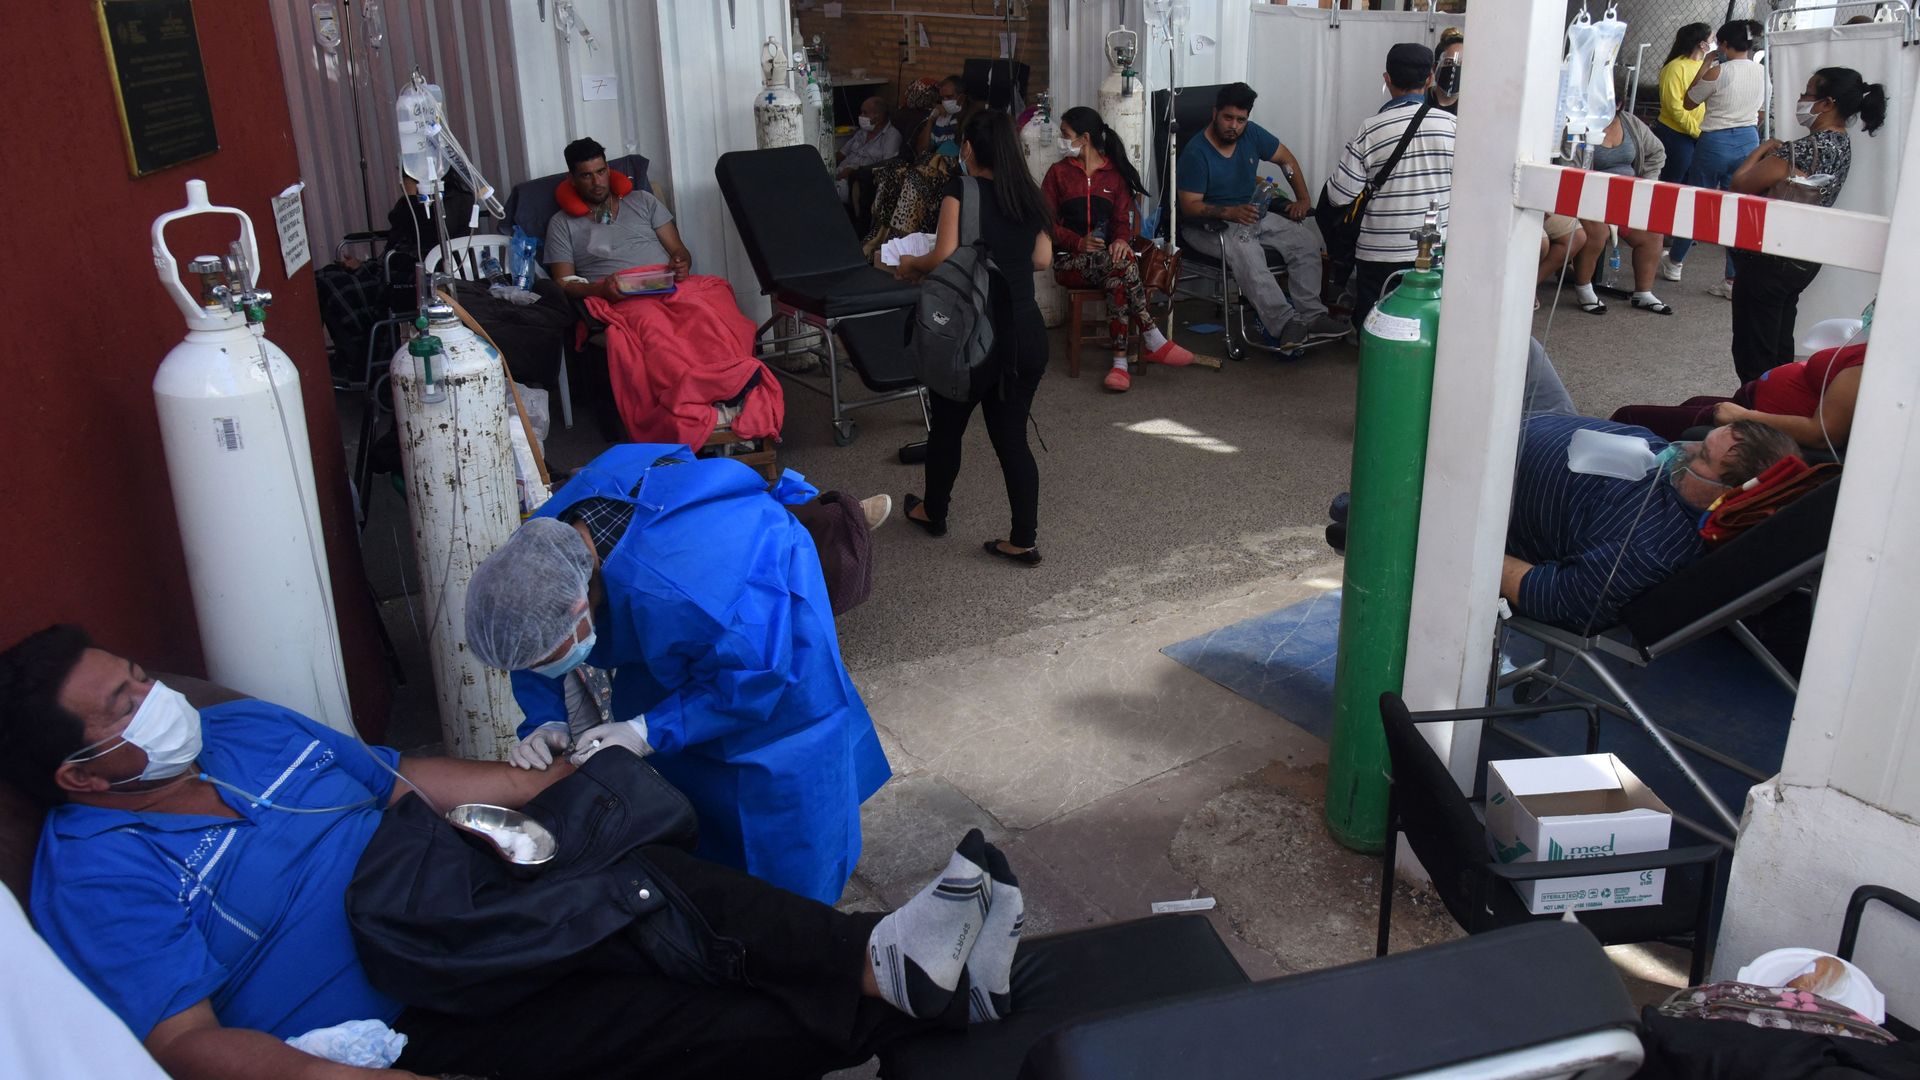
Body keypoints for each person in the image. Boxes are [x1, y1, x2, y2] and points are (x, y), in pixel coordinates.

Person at [1, 626, 1026, 1080]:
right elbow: (182, 1045)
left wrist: (542, 782)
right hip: (412, 1003)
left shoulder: (244, 732)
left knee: (643, 862)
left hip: (471, 894)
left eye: (140, 674)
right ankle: (902, 978)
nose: (159, 700)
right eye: (125, 704)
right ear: (82, 776)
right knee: (700, 1001)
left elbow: (398, 776)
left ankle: (900, 973)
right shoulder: (98, 874)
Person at [465, 444, 890, 905]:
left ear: (579, 607)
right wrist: (545, 718)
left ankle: (800, 916)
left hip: (764, 644)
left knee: (782, 833)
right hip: (690, 623)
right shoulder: (550, 542)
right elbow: (530, 632)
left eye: (546, 658)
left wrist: (649, 728)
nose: (540, 668)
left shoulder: (687, 590)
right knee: (680, 793)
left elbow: (755, 676)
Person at [1507, 350, 1799, 629]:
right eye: (1704, 440)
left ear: (1726, 497)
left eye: (1702, 456)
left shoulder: (1648, 549)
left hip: (1491, 458)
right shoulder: (1678, 480)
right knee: (1520, 342)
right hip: (1550, 416)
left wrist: (1473, 547)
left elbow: (1556, 598)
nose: (1685, 446)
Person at [894, 111, 1054, 566]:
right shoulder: (1030, 194)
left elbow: (944, 256)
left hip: (970, 332)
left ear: (967, 149)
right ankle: (1023, 539)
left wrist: (910, 264)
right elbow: (1041, 259)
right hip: (1024, 333)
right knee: (1012, 438)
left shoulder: (961, 190)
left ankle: (934, 511)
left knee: (947, 426)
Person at [1726, 67, 1886, 382]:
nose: (1800, 99)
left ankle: (1756, 413)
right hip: (1803, 255)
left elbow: (1741, 183)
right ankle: (1779, 400)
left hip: (1769, 255)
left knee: (1753, 348)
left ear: (1827, 103)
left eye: (1807, 93)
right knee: (1779, 340)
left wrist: (1761, 149)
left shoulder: (1800, 150)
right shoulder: (1841, 144)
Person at [1177, 82, 1349, 352]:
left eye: (1241, 120)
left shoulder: (1252, 135)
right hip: (1207, 226)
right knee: (1247, 251)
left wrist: (1303, 199)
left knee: (1305, 240)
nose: (1234, 125)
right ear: (1214, 113)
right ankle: (1284, 323)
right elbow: (1189, 206)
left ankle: (1312, 315)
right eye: (1228, 118)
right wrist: (1230, 212)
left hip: (1251, 214)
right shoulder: (1196, 152)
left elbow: (1286, 160)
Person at [1043, 105, 1195, 392]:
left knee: (1118, 277)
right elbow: (1045, 222)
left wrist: (1121, 240)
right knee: (1123, 267)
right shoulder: (1058, 173)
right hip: (1069, 263)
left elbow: (1122, 221)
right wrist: (1077, 242)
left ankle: (1120, 367)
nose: (1061, 141)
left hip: (1108, 265)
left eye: (1065, 134)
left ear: (1084, 138)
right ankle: (1151, 337)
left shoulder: (1114, 176)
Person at [1326, 44, 1458, 327]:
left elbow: (1339, 196)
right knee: (1428, 324)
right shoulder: (1454, 126)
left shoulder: (1371, 129)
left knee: (1376, 326)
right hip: (1434, 251)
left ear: (1387, 79)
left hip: (1379, 253)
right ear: (1430, 79)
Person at [1660, 18, 1767, 298]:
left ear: (1725, 45)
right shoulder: (1762, 73)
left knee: (1697, 201)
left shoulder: (1718, 72)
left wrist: (1707, 64)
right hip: (1748, 140)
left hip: (1714, 141)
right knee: (1736, 209)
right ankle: (1732, 279)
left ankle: (1676, 262)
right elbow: (1762, 112)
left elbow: (1689, 101)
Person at [1610, 341, 1866, 452]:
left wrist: (1746, 417)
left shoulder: (1868, 364)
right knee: (1693, 404)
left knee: (1628, 417)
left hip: (1758, 423)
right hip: (1753, 403)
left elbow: (1822, 434)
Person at [545, 137, 693, 299]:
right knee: (654, 322)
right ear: (572, 179)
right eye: (586, 176)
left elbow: (679, 251)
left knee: (715, 301)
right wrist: (599, 290)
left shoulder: (643, 200)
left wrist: (681, 264)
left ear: (608, 170)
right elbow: (564, 283)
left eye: (600, 172)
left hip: (667, 287)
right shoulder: (561, 223)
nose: (597, 182)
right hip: (620, 298)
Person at [1566, 107, 1673, 316]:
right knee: (1597, 232)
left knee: (1652, 232)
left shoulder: (1630, 122)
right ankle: (1584, 288)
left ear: (1619, 104)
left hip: (1628, 197)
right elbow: (1568, 163)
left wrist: (1647, 182)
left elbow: (1657, 151)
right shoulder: (1578, 125)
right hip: (1589, 197)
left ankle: (1643, 292)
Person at [863, 77, 979, 257]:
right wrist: (931, 120)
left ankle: (905, 244)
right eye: (941, 98)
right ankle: (880, 240)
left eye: (949, 97)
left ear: (961, 98)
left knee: (914, 178)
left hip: (950, 167)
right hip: (929, 162)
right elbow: (922, 149)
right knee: (892, 173)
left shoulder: (971, 118)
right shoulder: (940, 119)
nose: (944, 102)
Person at [1653, 23, 1712, 185]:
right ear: (1702, 44)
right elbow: (1674, 107)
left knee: (1690, 182)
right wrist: (1696, 130)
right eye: (1712, 38)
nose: (1715, 43)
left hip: (1697, 134)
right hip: (1675, 134)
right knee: (1672, 182)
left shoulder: (1704, 66)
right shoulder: (1675, 68)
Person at [836, 96, 903, 215]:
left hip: (857, 180)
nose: (861, 116)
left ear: (878, 116)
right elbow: (842, 153)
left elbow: (888, 166)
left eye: (865, 113)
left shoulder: (891, 136)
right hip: (837, 174)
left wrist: (854, 170)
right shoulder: (861, 132)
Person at [1429, 27, 1463, 114]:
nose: (1455, 68)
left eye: (1462, 64)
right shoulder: (1422, 100)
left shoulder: (1470, 106)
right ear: (1434, 67)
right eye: (1449, 63)